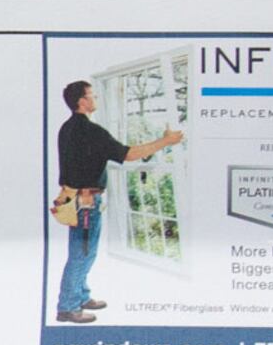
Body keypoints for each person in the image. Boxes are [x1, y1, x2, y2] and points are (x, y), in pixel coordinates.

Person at [51, 78, 181, 325]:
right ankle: (67, 307)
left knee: (83, 252)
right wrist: (165, 141)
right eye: (92, 95)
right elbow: (129, 154)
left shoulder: (67, 128)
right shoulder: (90, 131)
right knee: (82, 253)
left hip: (74, 198)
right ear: (82, 101)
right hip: (85, 202)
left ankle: (80, 295)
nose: (96, 98)